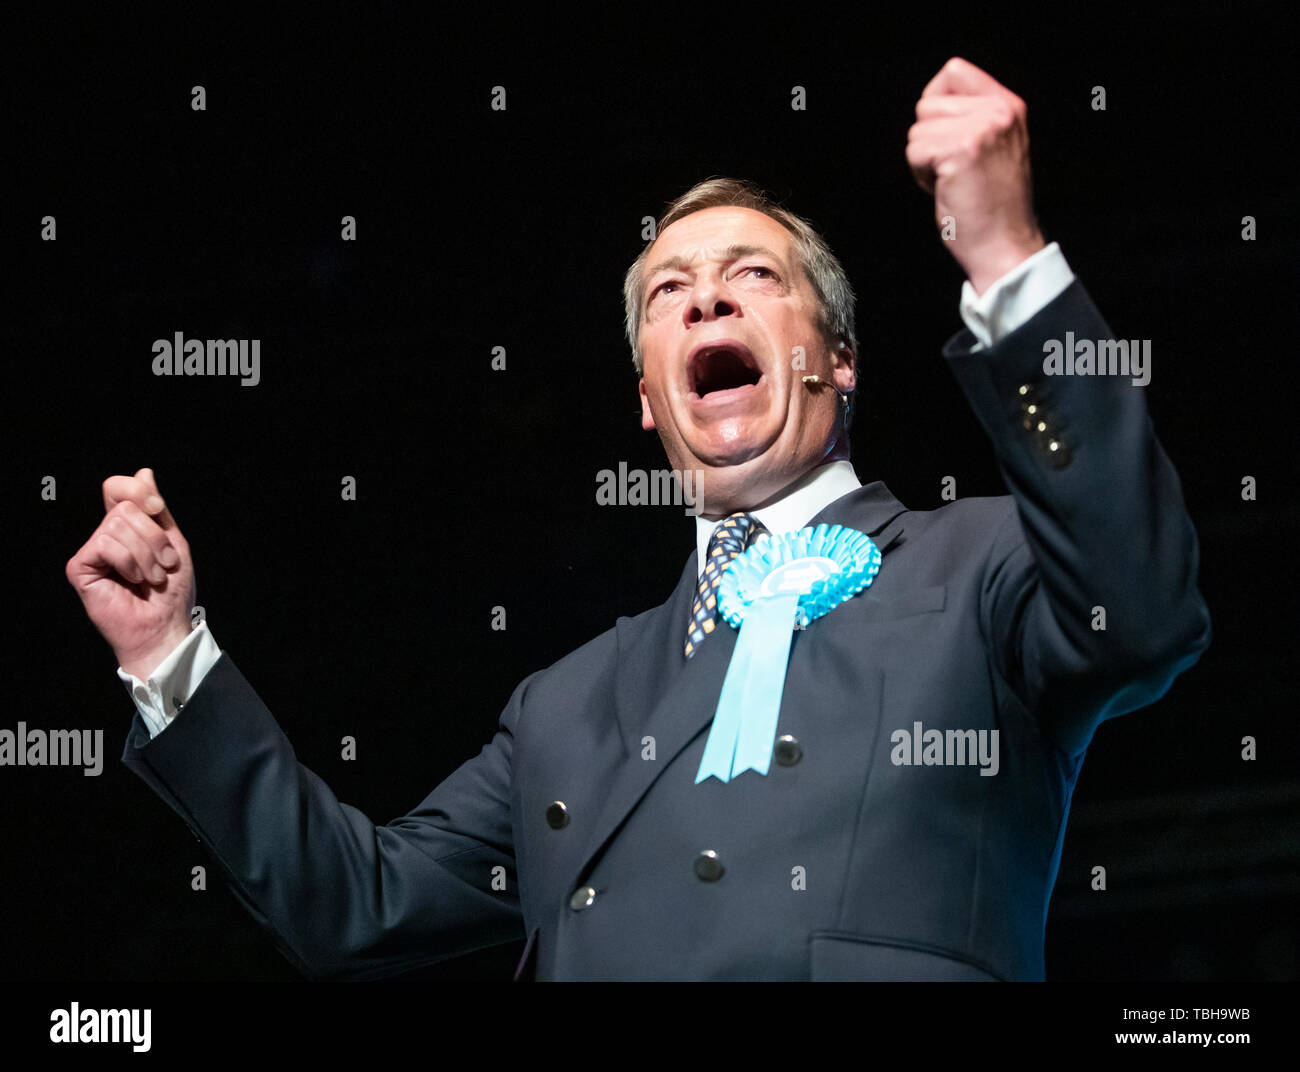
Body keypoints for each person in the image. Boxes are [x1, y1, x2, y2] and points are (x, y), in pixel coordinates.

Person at [66, 57, 1210, 980]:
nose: (705, 294)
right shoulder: (565, 703)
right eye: (669, 291)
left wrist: (1006, 257)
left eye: (753, 276)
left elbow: (1144, 610)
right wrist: (171, 656)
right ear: (648, 397)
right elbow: (354, 906)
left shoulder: (979, 566)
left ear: (838, 361)